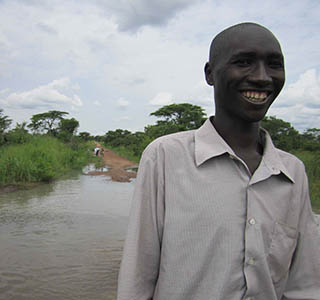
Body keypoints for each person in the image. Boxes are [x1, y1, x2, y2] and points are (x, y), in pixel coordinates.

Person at [117, 22, 320, 300]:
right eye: (244, 62)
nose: (262, 77)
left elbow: (304, 285)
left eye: (274, 64)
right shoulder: (165, 156)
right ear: (210, 73)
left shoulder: (293, 172)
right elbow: (137, 276)